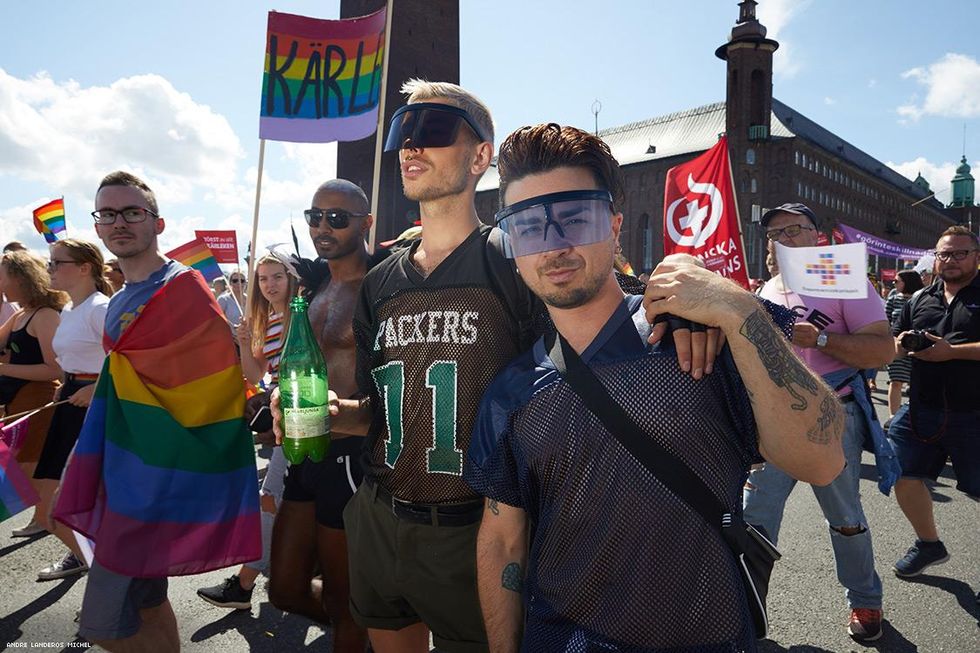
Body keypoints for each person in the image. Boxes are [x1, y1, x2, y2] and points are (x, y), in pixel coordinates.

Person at [274, 81, 720, 653]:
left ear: (480, 155)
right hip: (382, 516)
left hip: (480, 529)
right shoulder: (380, 280)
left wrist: (682, 307)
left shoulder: (515, 258)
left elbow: (606, 317)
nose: (411, 146)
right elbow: (384, 417)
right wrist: (334, 415)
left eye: (432, 130)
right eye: (402, 133)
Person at [465, 123, 845, 651]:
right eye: (530, 226)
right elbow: (504, 542)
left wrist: (738, 308)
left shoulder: (701, 337)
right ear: (513, 244)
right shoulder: (511, 393)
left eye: (577, 217)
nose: (555, 244)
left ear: (616, 225)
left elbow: (823, 461)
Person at [53, 171, 259, 653]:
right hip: (123, 465)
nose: (118, 222)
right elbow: (126, 375)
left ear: (157, 222)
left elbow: (216, 384)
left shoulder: (183, 287)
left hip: (157, 476)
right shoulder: (121, 295)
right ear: (98, 227)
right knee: (147, 599)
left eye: (132, 212)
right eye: (107, 213)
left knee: (102, 625)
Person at [745, 203, 898, 643]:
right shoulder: (764, 291)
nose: (785, 238)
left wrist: (824, 339)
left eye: (795, 229)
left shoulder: (845, 280)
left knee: (844, 516)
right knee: (754, 516)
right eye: (775, 233)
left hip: (834, 414)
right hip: (771, 417)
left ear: (818, 236)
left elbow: (882, 351)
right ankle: (747, 607)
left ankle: (865, 599)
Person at [264, 179, 376, 652]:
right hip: (303, 449)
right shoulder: (316, 288)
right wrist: (277, 399)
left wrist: (346, 413)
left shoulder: (382, 284)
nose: (322, 227)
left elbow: (401, 389)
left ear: (366, 223)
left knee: (343, 596)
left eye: (337, 217)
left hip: (350, 457)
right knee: (285, 589)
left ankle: (364, 633)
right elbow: (303, 367)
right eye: (315, 217)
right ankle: (374, 634)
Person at [197, 253, 296, 610]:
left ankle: (245, 584)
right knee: (276, 499)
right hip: (283, 420)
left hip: (305, 420)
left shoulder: (306, 311)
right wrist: (242, 341)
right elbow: (256, 376)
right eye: (263, 279)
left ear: (292, 278)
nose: (270, 284)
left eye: (277, 277)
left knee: (273, 499)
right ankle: (251, 582)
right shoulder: (266, 319)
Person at [890, 225, 980, 577]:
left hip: (974, 411)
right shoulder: (919, 299)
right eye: (945, 254)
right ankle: (929, 544)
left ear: (976, 256)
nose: (951, 260)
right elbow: (897, 337)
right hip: (921, 409)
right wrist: (901, 344)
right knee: (901, 473)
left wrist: (951, 352)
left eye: (960, 253)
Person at [33, 239, 111, 580]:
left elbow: (127, 359)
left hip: (96, 404)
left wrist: (96, 389)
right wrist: (68, 385)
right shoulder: (69, 308)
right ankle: (96, 572)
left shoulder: (100, 307)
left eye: (56, 263)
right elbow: (70, 359)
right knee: (52, 506)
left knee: (63, 507)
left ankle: (105, 583)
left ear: (84, 268)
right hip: (72, 400)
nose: (49, 270)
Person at [0, 250, 66, 538]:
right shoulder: (21, 314)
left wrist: (5, 369)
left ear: (19, 278)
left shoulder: (45, 315)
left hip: (39, 397)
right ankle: (43, 519)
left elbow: (54, 369)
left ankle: (46, 520)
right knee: (24, 466)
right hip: (19, 397)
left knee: (27, 467)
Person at [884, 270, 924, 423]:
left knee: (916, 383)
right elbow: (885, 322)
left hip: (918, 348)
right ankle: (893, 418)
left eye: (897, 281)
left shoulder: (922, 299)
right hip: (897, 347)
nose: (894, 284)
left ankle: (912, 417)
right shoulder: (893, 299)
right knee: (896, 381)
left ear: (908, 282)